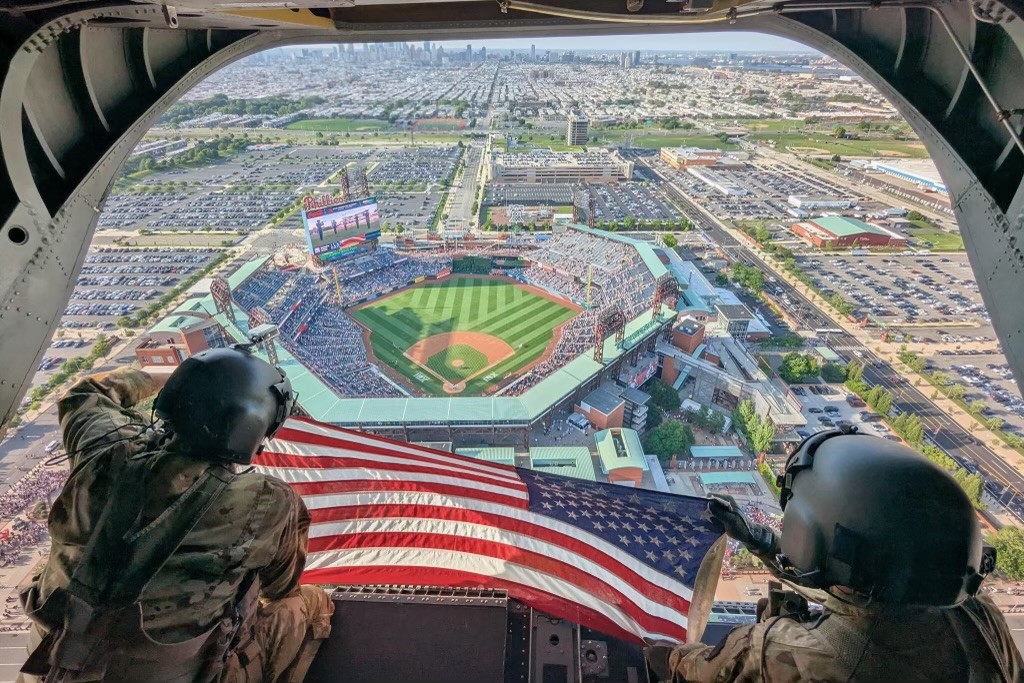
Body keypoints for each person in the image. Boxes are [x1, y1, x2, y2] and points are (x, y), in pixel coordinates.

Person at [19, 348, 333, 683]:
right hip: (172, 676)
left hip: (50, 668)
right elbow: (281, 585)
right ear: (254, 431)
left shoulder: (103, 449)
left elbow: (85, 393)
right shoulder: (266, 500)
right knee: (309, 603)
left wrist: (189, 378)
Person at [647, 428, 1023, 683]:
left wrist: (670, 658)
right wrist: (760, 541)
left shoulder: (784, 651)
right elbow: (862, 587)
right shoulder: (980, 619)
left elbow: (698, 669)